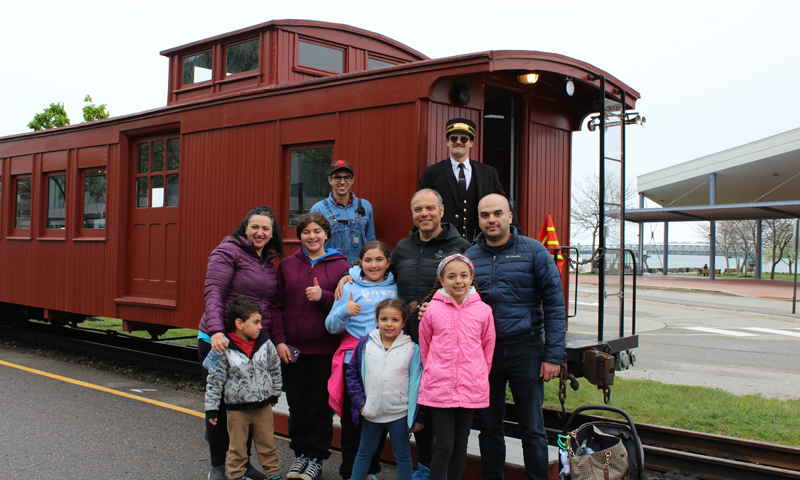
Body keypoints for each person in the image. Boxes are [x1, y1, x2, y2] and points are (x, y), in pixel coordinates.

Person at [336, 188, 470, 480]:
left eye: (430, 208)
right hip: (407, 342)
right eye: (418, 209)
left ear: (441, 210)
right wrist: (351, 273)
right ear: (413, 213)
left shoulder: (460, 245)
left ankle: (439, 471)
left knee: (441, 413)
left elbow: (470, 287)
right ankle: (424, 468)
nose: (424, 214)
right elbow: (379, 272)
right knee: (416, 404)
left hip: (445, 344)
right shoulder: (403, 247)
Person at [466, 194, 565, 480]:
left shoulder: (534, 252)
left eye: (498, 213)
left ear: (510, 216)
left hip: (527, 350)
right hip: (486, 354)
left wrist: (553, 356)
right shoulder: (469, 258)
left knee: (532, 427)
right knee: (489, 426)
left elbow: (555, 305)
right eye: (485, 215)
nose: (491, 219)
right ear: (479, 219)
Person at [198, 205, 283, 480]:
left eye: (266, 228)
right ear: (245, 228)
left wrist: (268, 340)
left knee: (246, 403)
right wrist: (216, 331)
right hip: (221, 341)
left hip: (251, 343)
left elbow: (266, 306)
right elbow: (214, 291)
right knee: (222, 408)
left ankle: (242, 466)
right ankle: (218, 466)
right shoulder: (227, 251)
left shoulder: (268, 262)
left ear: (272, 234)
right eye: (255, 226)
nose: (260, 232)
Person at [270, 212, 351, 480]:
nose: (312, 236)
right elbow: (277, 306)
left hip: (325, 350)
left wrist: (323, 297)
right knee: (297, 406)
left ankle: (316, 457)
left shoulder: (341, 267)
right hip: (292, 350)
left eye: (317, 231)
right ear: (300, 235)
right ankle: (300, 455)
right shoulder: (288, 265)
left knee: (320, 407)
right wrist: (280, 340)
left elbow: (343, 309)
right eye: (306, 231)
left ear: (326, 234)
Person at [416, 255, 495, 480]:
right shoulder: (431, 310)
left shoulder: (483, 311)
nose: (458, 281)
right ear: (441, 280)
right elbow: (426, 348)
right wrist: (434, 373)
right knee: (444, 446)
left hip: (471, 385)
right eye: (451, 276)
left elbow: (487, 349)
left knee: (461, 445)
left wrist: (479, 376)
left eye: (463, 275)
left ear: (471, 278)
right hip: (439, 386)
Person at [327, 240, 397, 480]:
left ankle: (370, 471)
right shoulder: (349, 286)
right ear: (360, 262)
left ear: (388, 262)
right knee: (353, 420)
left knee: (379, 419)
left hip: (387, 364)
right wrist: (344, 310)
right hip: (354, 363)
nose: (373, 265)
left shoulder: (396, 287)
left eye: (379, 260)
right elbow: (331, 326)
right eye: (368, 260)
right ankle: (349, 472)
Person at [205, 297, 283, 480]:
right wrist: (211, 409)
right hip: (237, 411)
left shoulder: (266, 343)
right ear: (239, 323)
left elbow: (275, 369)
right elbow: (214, 380)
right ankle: (235, 475)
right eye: (255, 322)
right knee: (237, 447)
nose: (260, 327)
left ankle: (274, 475)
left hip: (263, 407)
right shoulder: (224, 348)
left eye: (260, 322)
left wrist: (275, 394)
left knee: (267, 445)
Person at [346, 298, 423, 480]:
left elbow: (418, 384)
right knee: (364, 452)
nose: (389, 324)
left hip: (399, 414)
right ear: (377, 320)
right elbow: (352, 375)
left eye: (395, 320)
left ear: (404, 322)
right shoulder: (365, 345)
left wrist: (417, 415)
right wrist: (361, 405)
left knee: (403, 455)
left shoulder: (412, 349)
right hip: (371, 413)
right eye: (384, 319)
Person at [419, 118, 505, 242]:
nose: (458, 142)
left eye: (464, 139)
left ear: (471, 143)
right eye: (454, 138)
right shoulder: (432, 173)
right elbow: (421, 206)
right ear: (447, 142)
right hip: (442, 242)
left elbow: (503, 205)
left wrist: (518, 236)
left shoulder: (488, 173)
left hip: (480, 243)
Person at [311, 159, 376, 265]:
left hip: (358, 271)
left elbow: (371, 242)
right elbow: (313, 245)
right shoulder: (318, 209)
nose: (342, 181)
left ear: (352, 180)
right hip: (329, 269)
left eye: (346, 177)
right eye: (337, 177)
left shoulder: (365, 206)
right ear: (330, 180)